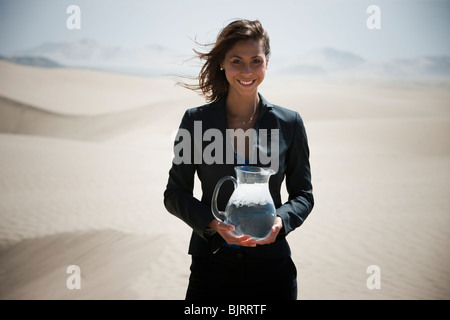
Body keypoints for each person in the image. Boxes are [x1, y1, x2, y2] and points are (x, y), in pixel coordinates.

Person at [163, 19, 314, 300]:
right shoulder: (196, 121)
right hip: (211, 269)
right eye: (237, 61)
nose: (247, 71)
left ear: (267, 63)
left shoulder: (289, 123)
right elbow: (174, 194)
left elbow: (303, 195)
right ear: (222, 62)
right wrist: (212, 224)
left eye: (256, 61)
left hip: (272, 270)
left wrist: (281, 220)